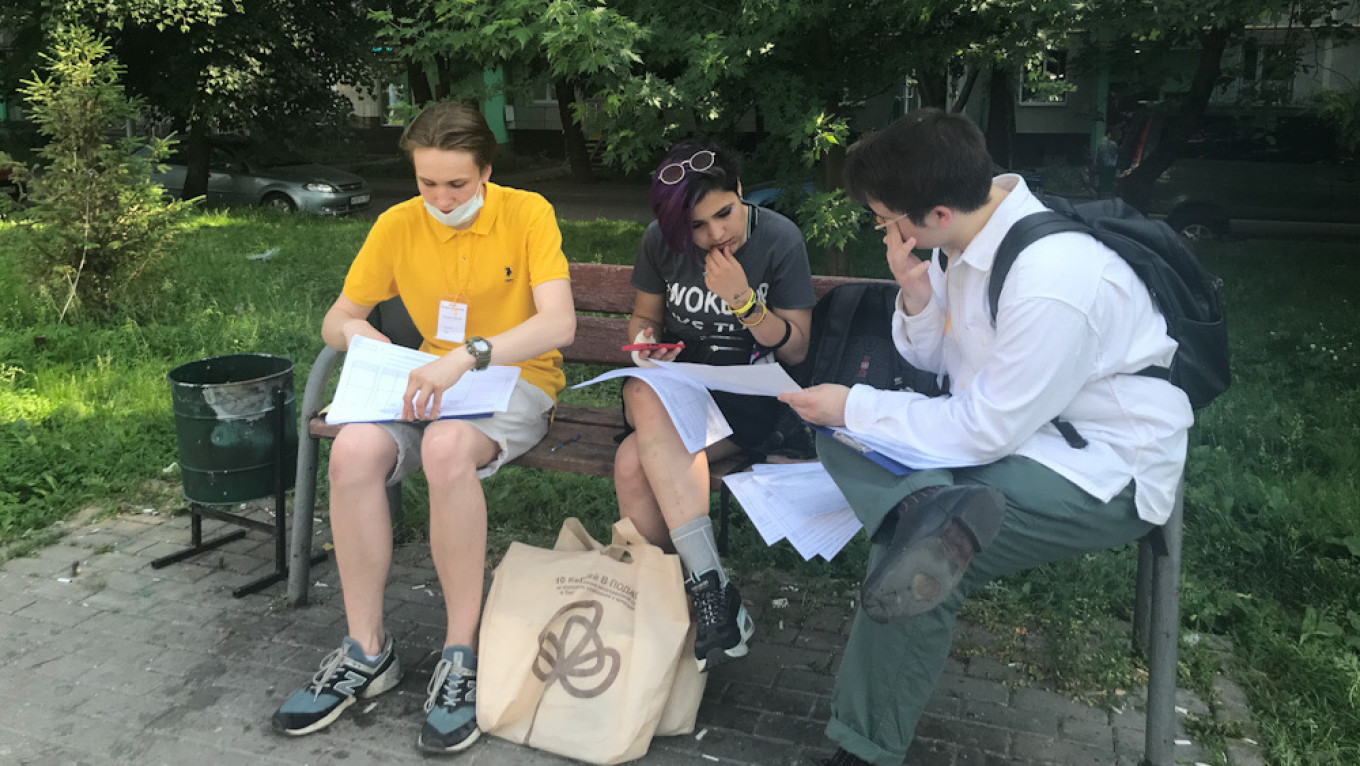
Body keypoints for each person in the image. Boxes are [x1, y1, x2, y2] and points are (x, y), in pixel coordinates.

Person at [779, 109, 1192, 766]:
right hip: (1007, 439)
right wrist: (916, 295)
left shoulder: (1055, 279)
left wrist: (856, 404)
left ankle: (864, 749)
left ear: (936, 213)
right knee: (837, 431)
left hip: (1098, 468)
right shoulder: (965, 240)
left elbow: (983, 427)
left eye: (888, 217)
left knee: (909, 538)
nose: (885, 229)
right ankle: (925, 505)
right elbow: (943, 364)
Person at [270, 102, 576, 755]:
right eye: (426, 183)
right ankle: (367, 650)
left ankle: (460, 654)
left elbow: (558, 325)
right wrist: (358, 334)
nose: (440, 199)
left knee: (445, 449)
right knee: (351, 450)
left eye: (456, 185)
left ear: (485, 172)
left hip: (514, 380)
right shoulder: (397, 224)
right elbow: (338, 317)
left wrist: (469, 356)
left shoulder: (527, 214)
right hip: (422, 382)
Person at [615, 141, 815, 670]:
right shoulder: (661, 242)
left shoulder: (779, 239)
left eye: (723, 214)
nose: (713, 235)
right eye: (697, 227)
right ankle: (712, 598)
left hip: (745, 396)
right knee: (642, 388)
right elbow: (644, 319)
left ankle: (681, 609)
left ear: (741, 194)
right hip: (676, 385)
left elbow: (795, 347)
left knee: (632, 459)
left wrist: (744, 301)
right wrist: (646, 343)